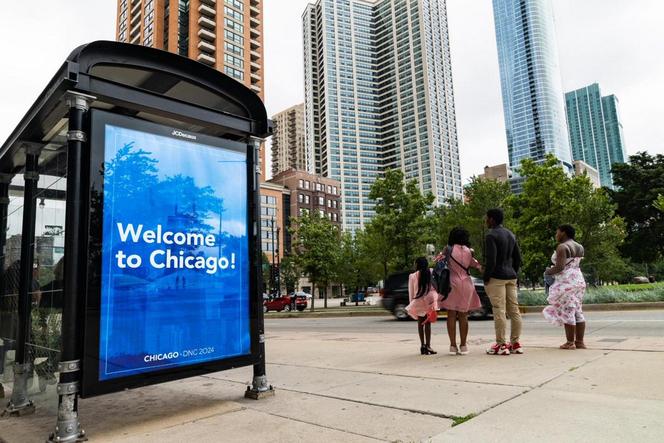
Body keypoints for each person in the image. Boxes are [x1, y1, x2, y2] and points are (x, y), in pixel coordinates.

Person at [483, 208, 523, 356]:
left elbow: (491, 260)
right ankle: (515, 343)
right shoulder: (510, 234)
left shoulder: (491, 235)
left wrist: (486, 277)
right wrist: (514, 273)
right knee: (514, 311)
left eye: (487, 218)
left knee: (499, 310)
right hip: (511, 276)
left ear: (492, 219)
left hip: (497, 277)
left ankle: (501, 344)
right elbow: (518, 258)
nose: (486, 221)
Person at [437, 227, 483, 355]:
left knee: (451, 315)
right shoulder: (469, 251)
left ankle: (452, 346)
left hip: (452, 283)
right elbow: (476, 265)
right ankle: (463, 346)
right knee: (463, 315)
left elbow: (438, 261)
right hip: (467, 284)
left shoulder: (448, 249)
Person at [543, 225, 587, 350]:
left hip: (566, 282)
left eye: (557, 232)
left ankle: (570, 342)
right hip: (578, 280)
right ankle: (580, 342)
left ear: (564, 233)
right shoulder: (580, 247)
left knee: (568, 311)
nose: (556, 235)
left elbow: (560, 267)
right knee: (578, 311)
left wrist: (548, 271)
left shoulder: (562, 247)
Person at [406, 257, 439, 355]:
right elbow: (435, 286)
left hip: (418, 301)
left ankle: (422, 346)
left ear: (418, 264)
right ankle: (428, 346)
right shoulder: (431, 272)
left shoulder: (413, 276)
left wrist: (412, 303)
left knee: (420, 324)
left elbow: (411, 292)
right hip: (429, 301)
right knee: (428, 324)